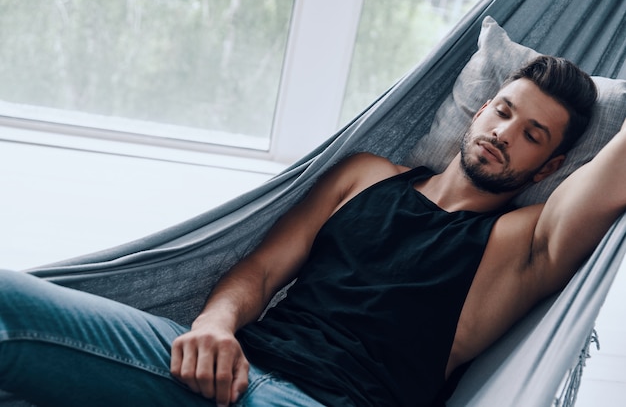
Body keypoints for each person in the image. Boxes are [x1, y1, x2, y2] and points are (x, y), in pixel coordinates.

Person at [1, 55, 624, 407]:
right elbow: (262, 272)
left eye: (531, 135)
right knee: (10, 303)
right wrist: (214, 325)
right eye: (504, 111)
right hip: (228, 369)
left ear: (548, 169)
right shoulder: (364, 176)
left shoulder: (522, 243)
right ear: (482, 107)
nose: (504, 133)